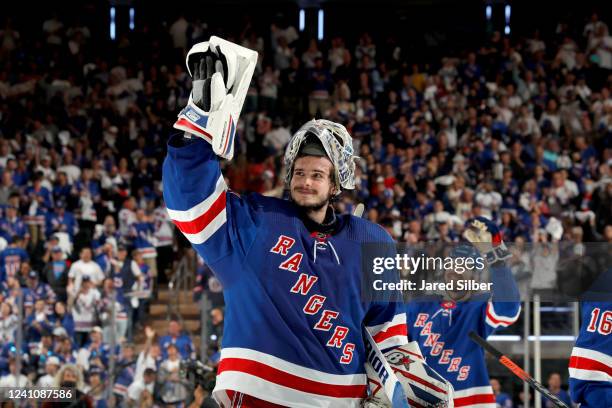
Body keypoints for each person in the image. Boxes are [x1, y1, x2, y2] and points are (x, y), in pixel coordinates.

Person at [163, 38, 406, 406]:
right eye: (300, 172)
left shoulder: (371, 240)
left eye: (318, 175)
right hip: (255, 395)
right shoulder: (256, 220)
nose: (306, 182)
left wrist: (401, 382)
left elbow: (386, 330)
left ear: (336, 183)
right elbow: (192, 205)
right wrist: (195, 127)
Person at [404, 217, 521, 406]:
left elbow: (508, 310)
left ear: (474, 276)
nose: (454, 270)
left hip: (470, 400)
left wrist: (496, 254)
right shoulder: (419, 306)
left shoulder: (478, 306)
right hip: (422, 399)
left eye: (462, 266)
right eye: (450, 265)